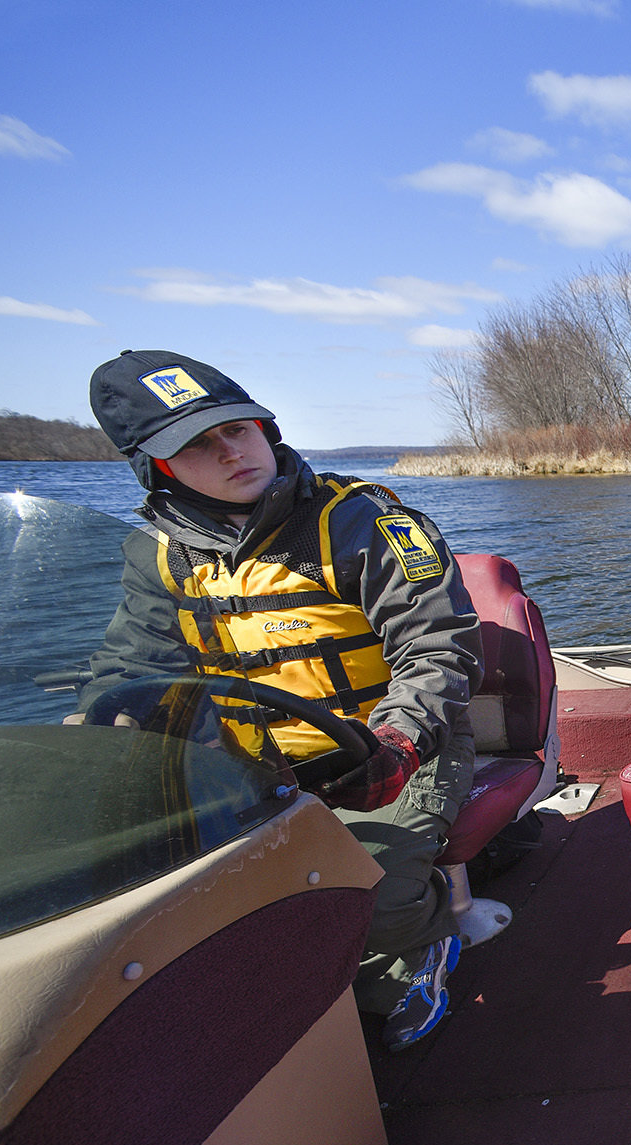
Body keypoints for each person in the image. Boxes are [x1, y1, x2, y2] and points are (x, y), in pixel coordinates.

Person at [79, 349, 485, 1051]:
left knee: (371, 890)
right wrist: (101, 731)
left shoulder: (362, 522)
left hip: (396, 754)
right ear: (156, 467)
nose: (233, 451)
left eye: (238, 428)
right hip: (247, 770)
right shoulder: (157, 558)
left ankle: (422, 948)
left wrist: (399, 741)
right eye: (198, 445)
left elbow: (439, 648)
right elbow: (129, 669)